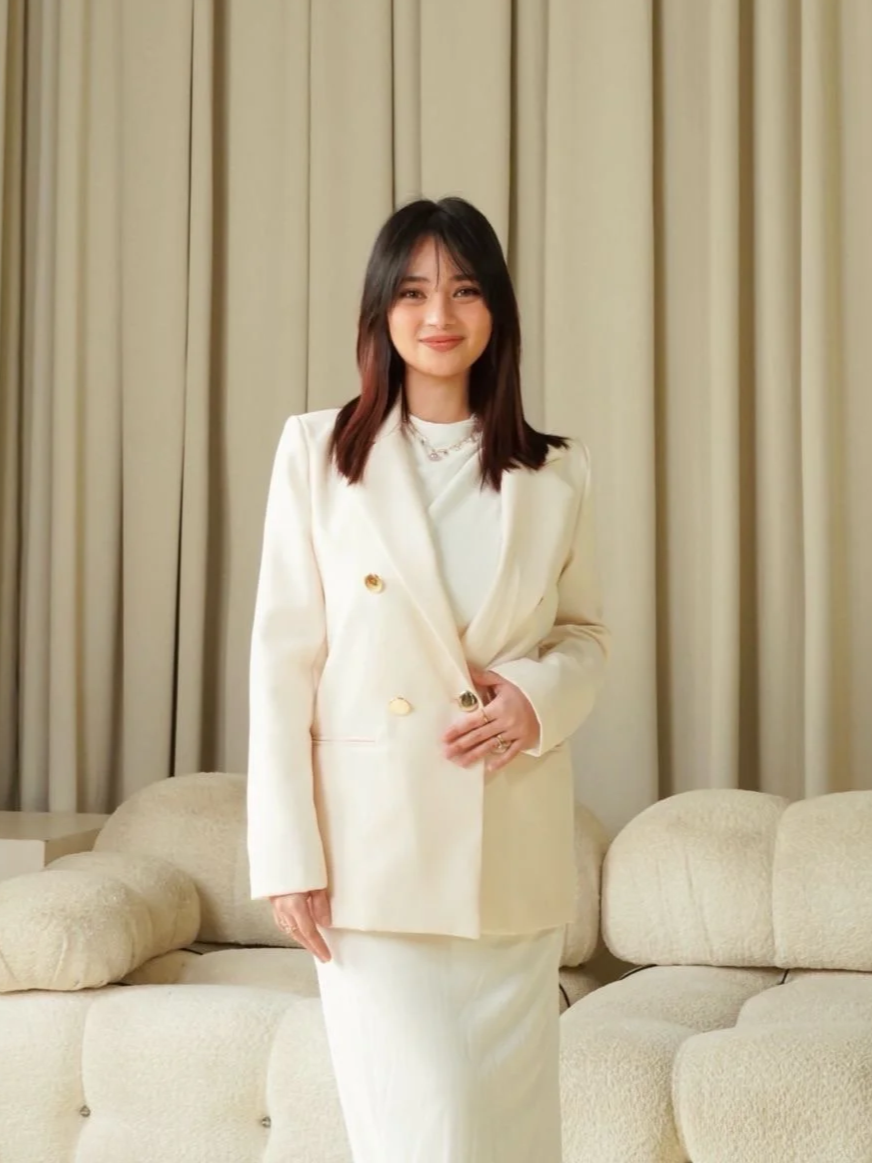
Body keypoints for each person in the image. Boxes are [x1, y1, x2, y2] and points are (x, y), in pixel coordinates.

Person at [246, 196, 610, 1163]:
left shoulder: (556, 471)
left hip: (510, 857)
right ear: (380, 312)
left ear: (495, 311)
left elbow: (586, 636)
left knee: (512, 1134)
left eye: (462, 289)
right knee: (416, 1132)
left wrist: (534, 699)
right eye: (412, 291)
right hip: (374, 857)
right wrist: (289, 853)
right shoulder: (319, 454)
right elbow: (282, 660)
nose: (438, 313)